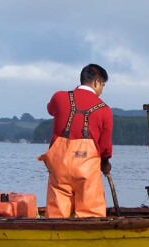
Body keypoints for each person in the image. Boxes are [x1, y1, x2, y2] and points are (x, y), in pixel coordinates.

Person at [39, 63, 113, 218]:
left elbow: (50, 109)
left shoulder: (59, 97)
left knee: (56, 214)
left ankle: (55, 235)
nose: (101, 90)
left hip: (59, 166)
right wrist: (105, 163)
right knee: (90, 215)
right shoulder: (105, 109)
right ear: (96, 82)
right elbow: (105, 147)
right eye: (103, 86)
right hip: (87, 169)